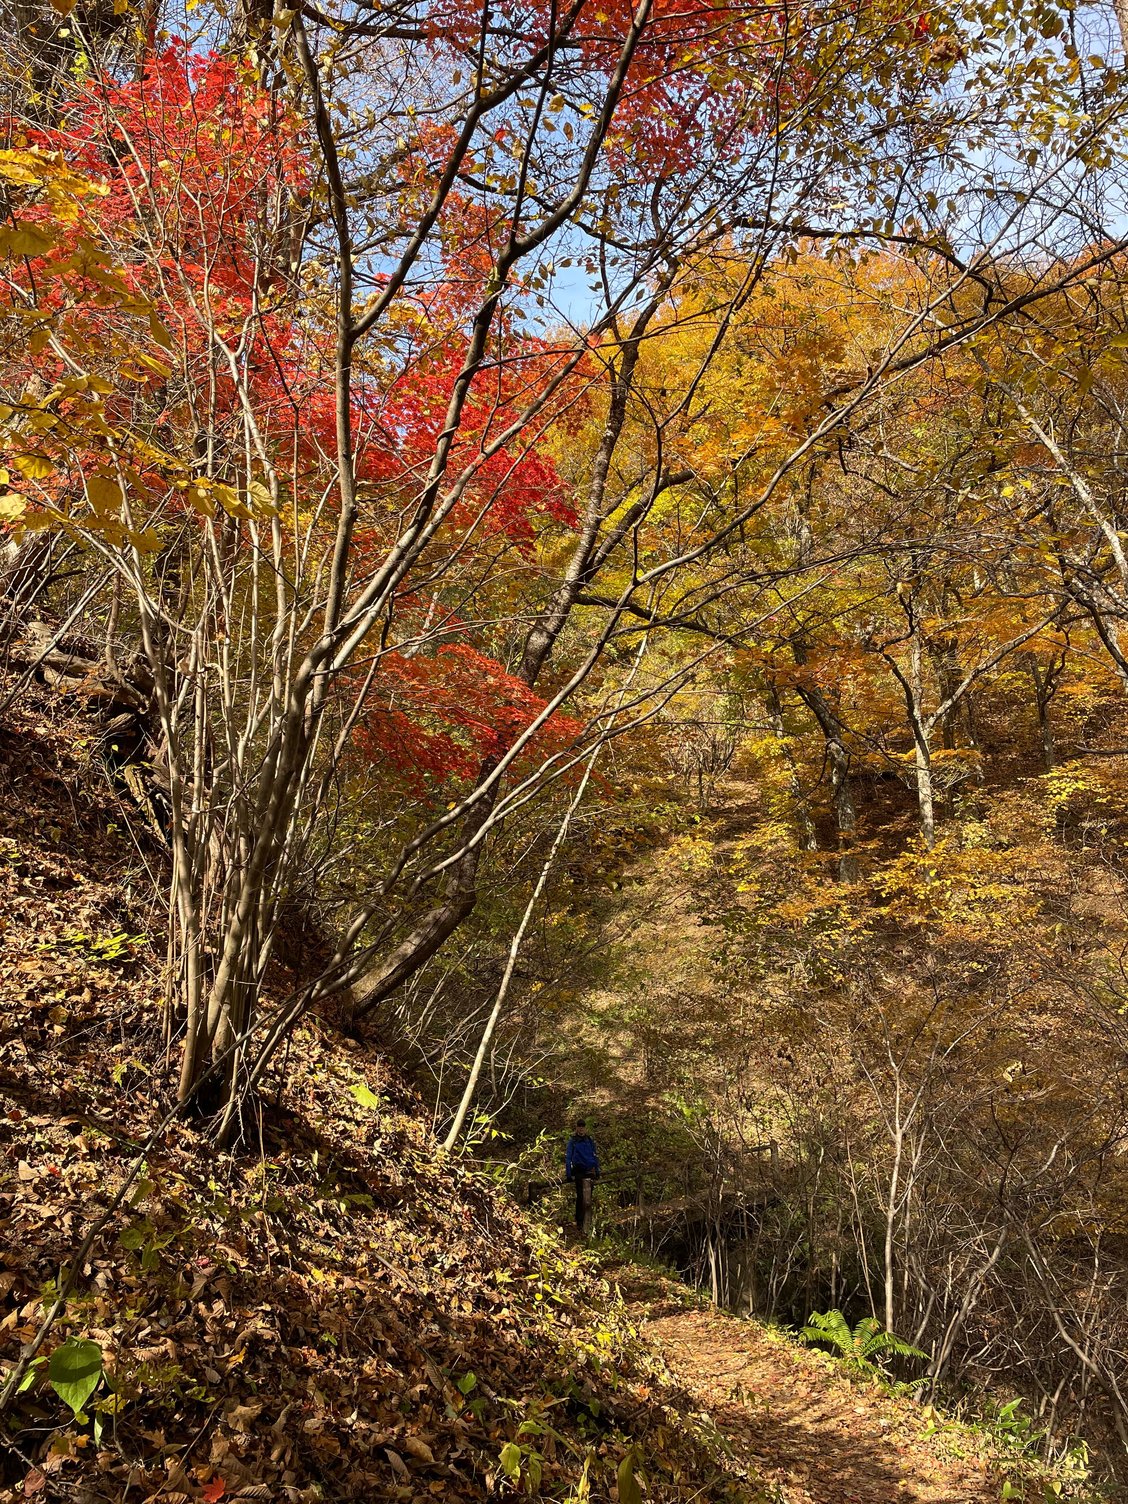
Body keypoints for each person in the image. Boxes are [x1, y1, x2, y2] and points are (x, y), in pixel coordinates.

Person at [564, 1119, 600, 1235]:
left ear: (585, 1128)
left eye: (583, 1126)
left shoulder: (589, 1140)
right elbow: (568, 1157)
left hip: (589, 1171)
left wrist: (597, 1170)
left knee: (589, 1196)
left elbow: (595, 1156)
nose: (581, 1128)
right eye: (579, 1126)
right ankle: (579, 1221)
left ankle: (587, 1220)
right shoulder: (573, 1141)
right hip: (578, 1171)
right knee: (581, 1196)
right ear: (576, 1128)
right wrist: (569, 1173)